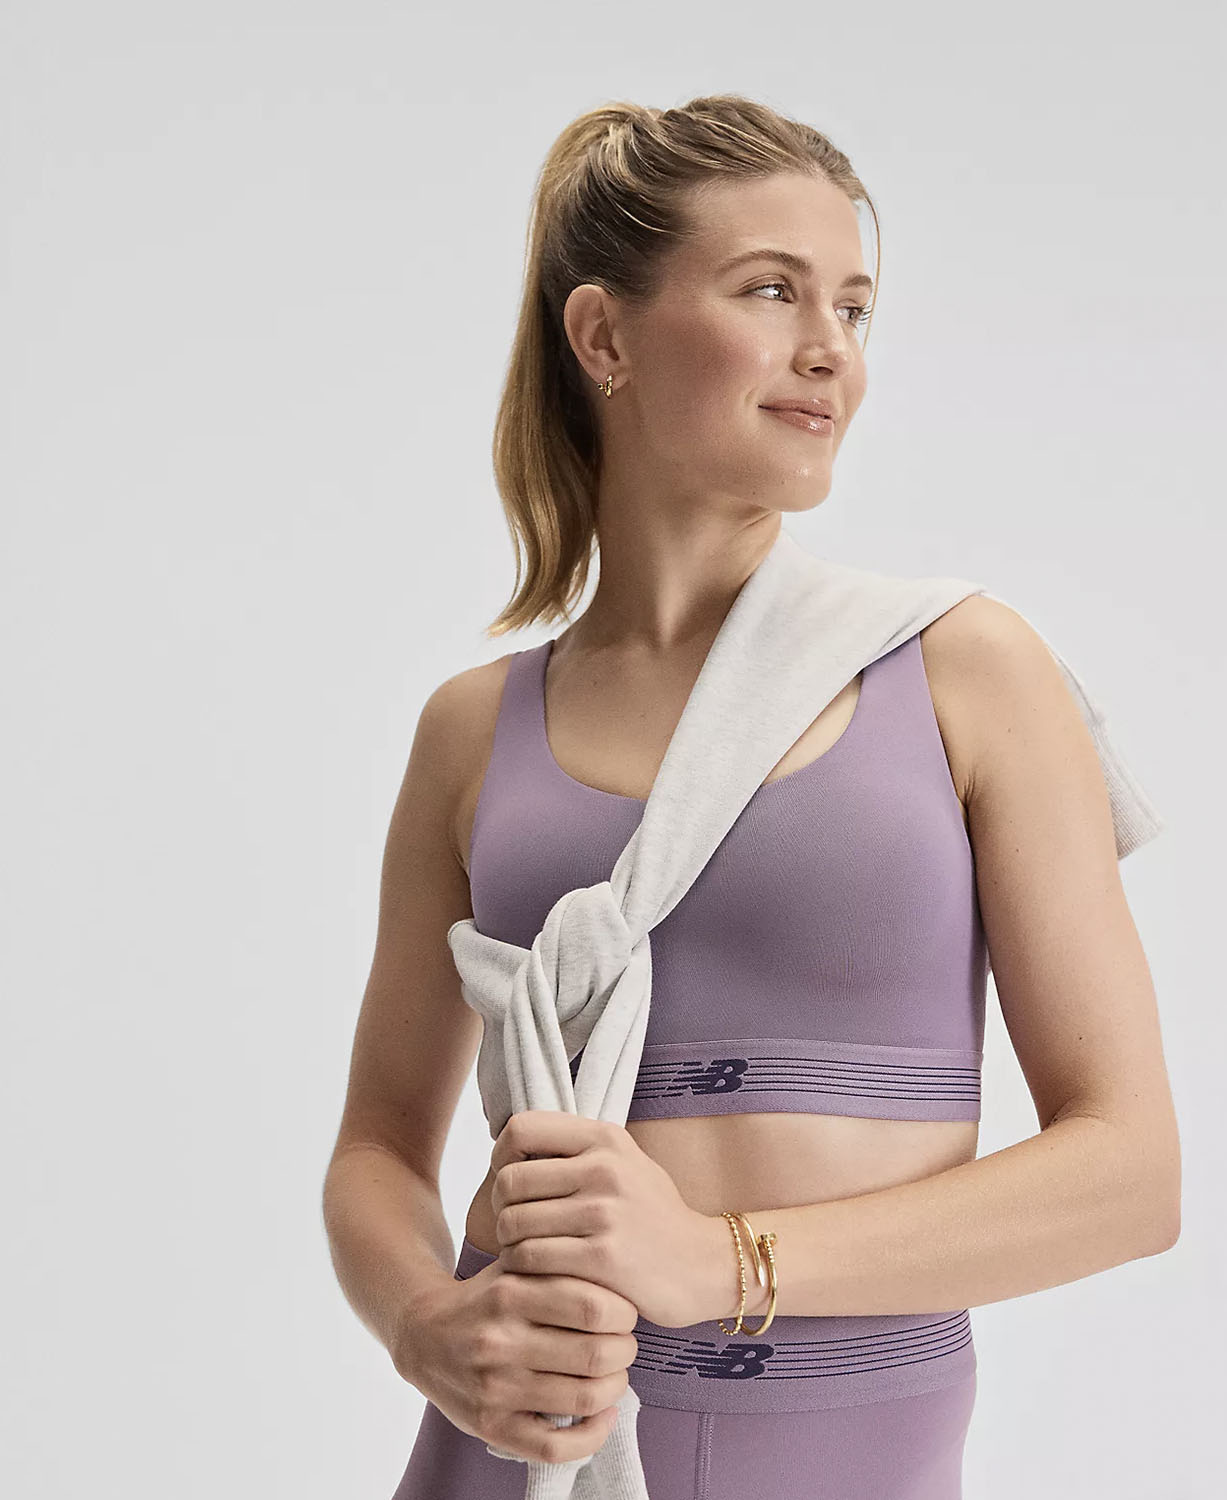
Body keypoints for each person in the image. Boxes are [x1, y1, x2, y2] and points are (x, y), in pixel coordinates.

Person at [323, 93, 1181, 1500]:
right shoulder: (472, 731)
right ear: (604, 337)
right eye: (772, 290)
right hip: (519, 1456)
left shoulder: (963, 671)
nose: (830, 347)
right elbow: (376, 1149)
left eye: (855, 305)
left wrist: (720, 1262)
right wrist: (430, 1328)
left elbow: (1130, 1175)